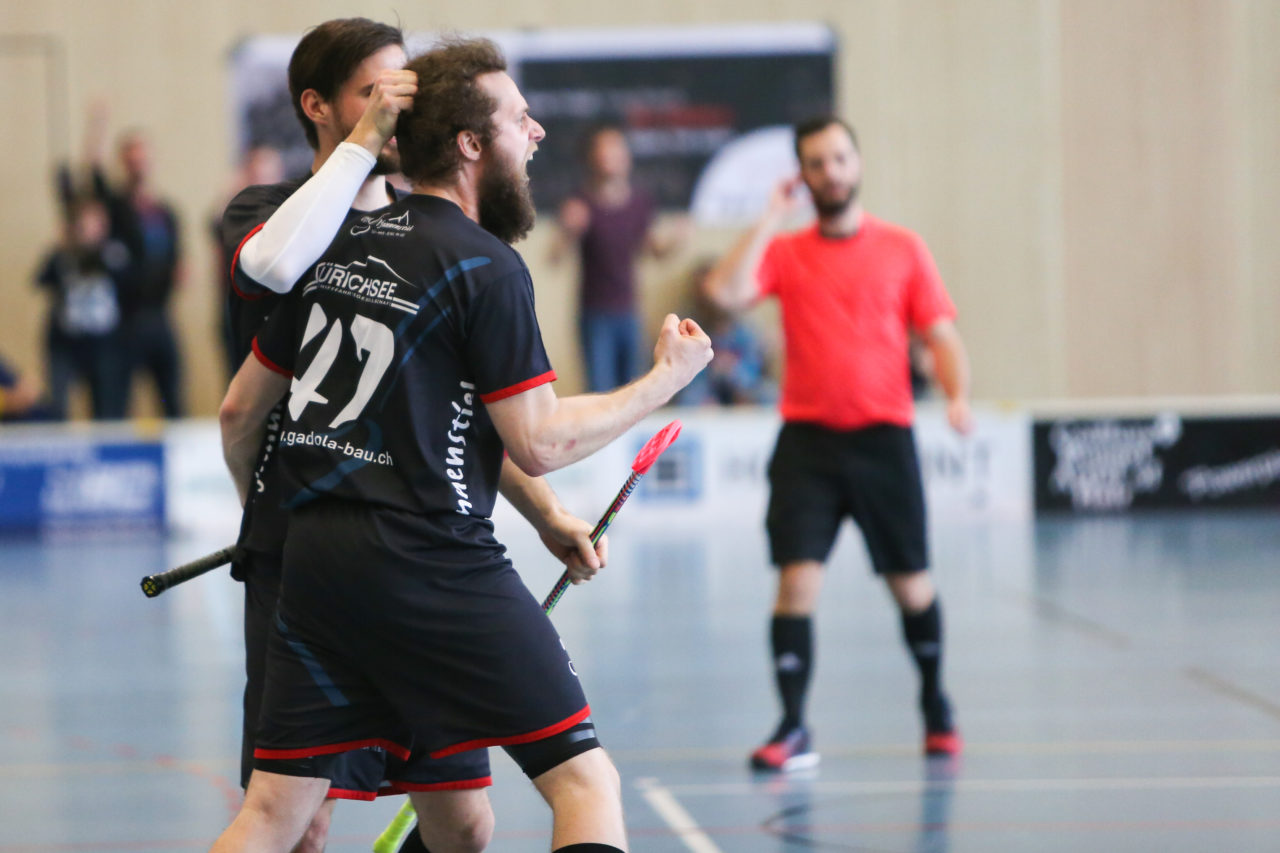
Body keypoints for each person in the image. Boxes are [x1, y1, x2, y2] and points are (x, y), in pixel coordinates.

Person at [211, 37, 711, 853]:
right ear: (473, 144)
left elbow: (243, 407)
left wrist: (547, 517)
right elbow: (541, 438)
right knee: (585, 780)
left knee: (285, 816)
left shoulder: (339, 244)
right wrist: (664, 379)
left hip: (313, 561)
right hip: (429, 558)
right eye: (521, 117)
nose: (539, 131)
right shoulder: (486, 267)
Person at [703, 115, 973, 771]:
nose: (832, 172)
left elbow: (941, 335)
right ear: (804, 175)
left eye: (841, 158)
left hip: (884, 441)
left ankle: (936, 702)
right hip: (808, 445)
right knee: (795, 585)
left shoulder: (903, 248)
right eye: (818, 163)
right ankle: (793, 725)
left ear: (857, 162)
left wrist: (957, 393)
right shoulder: (788, 252)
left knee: (912, 587)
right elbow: (724, 292)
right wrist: (770, 217)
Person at [549, 124, 688, 392]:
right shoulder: (580, 202)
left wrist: (675, 241)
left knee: (634, 388)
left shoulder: (639, 202)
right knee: (600, 391)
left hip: (629, 310)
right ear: (592, 158)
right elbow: (554, 258)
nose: (610, 156)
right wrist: (568, 231)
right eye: (603, 150)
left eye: (616, 149)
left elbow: (654, 251)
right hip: (594, 313)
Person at [73, 105, 185, 417]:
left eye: (142, 155)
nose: (138, 162)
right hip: (124, 320)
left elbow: (177, 257)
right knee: (114, 403)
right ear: (124, 161)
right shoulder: (116, 207)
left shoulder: (166, 212)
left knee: (172, 399)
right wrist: (98, 123)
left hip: (160, 316)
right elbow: (92, 172)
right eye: (131, 156)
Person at [35, 195, 131, 420]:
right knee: (58, 403)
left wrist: (95, 250)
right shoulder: (62, 255)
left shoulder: (113, 253)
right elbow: (42, 281)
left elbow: (129, 281)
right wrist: (67, 248)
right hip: (66, 341)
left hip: (103, 342)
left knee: (106, 406)